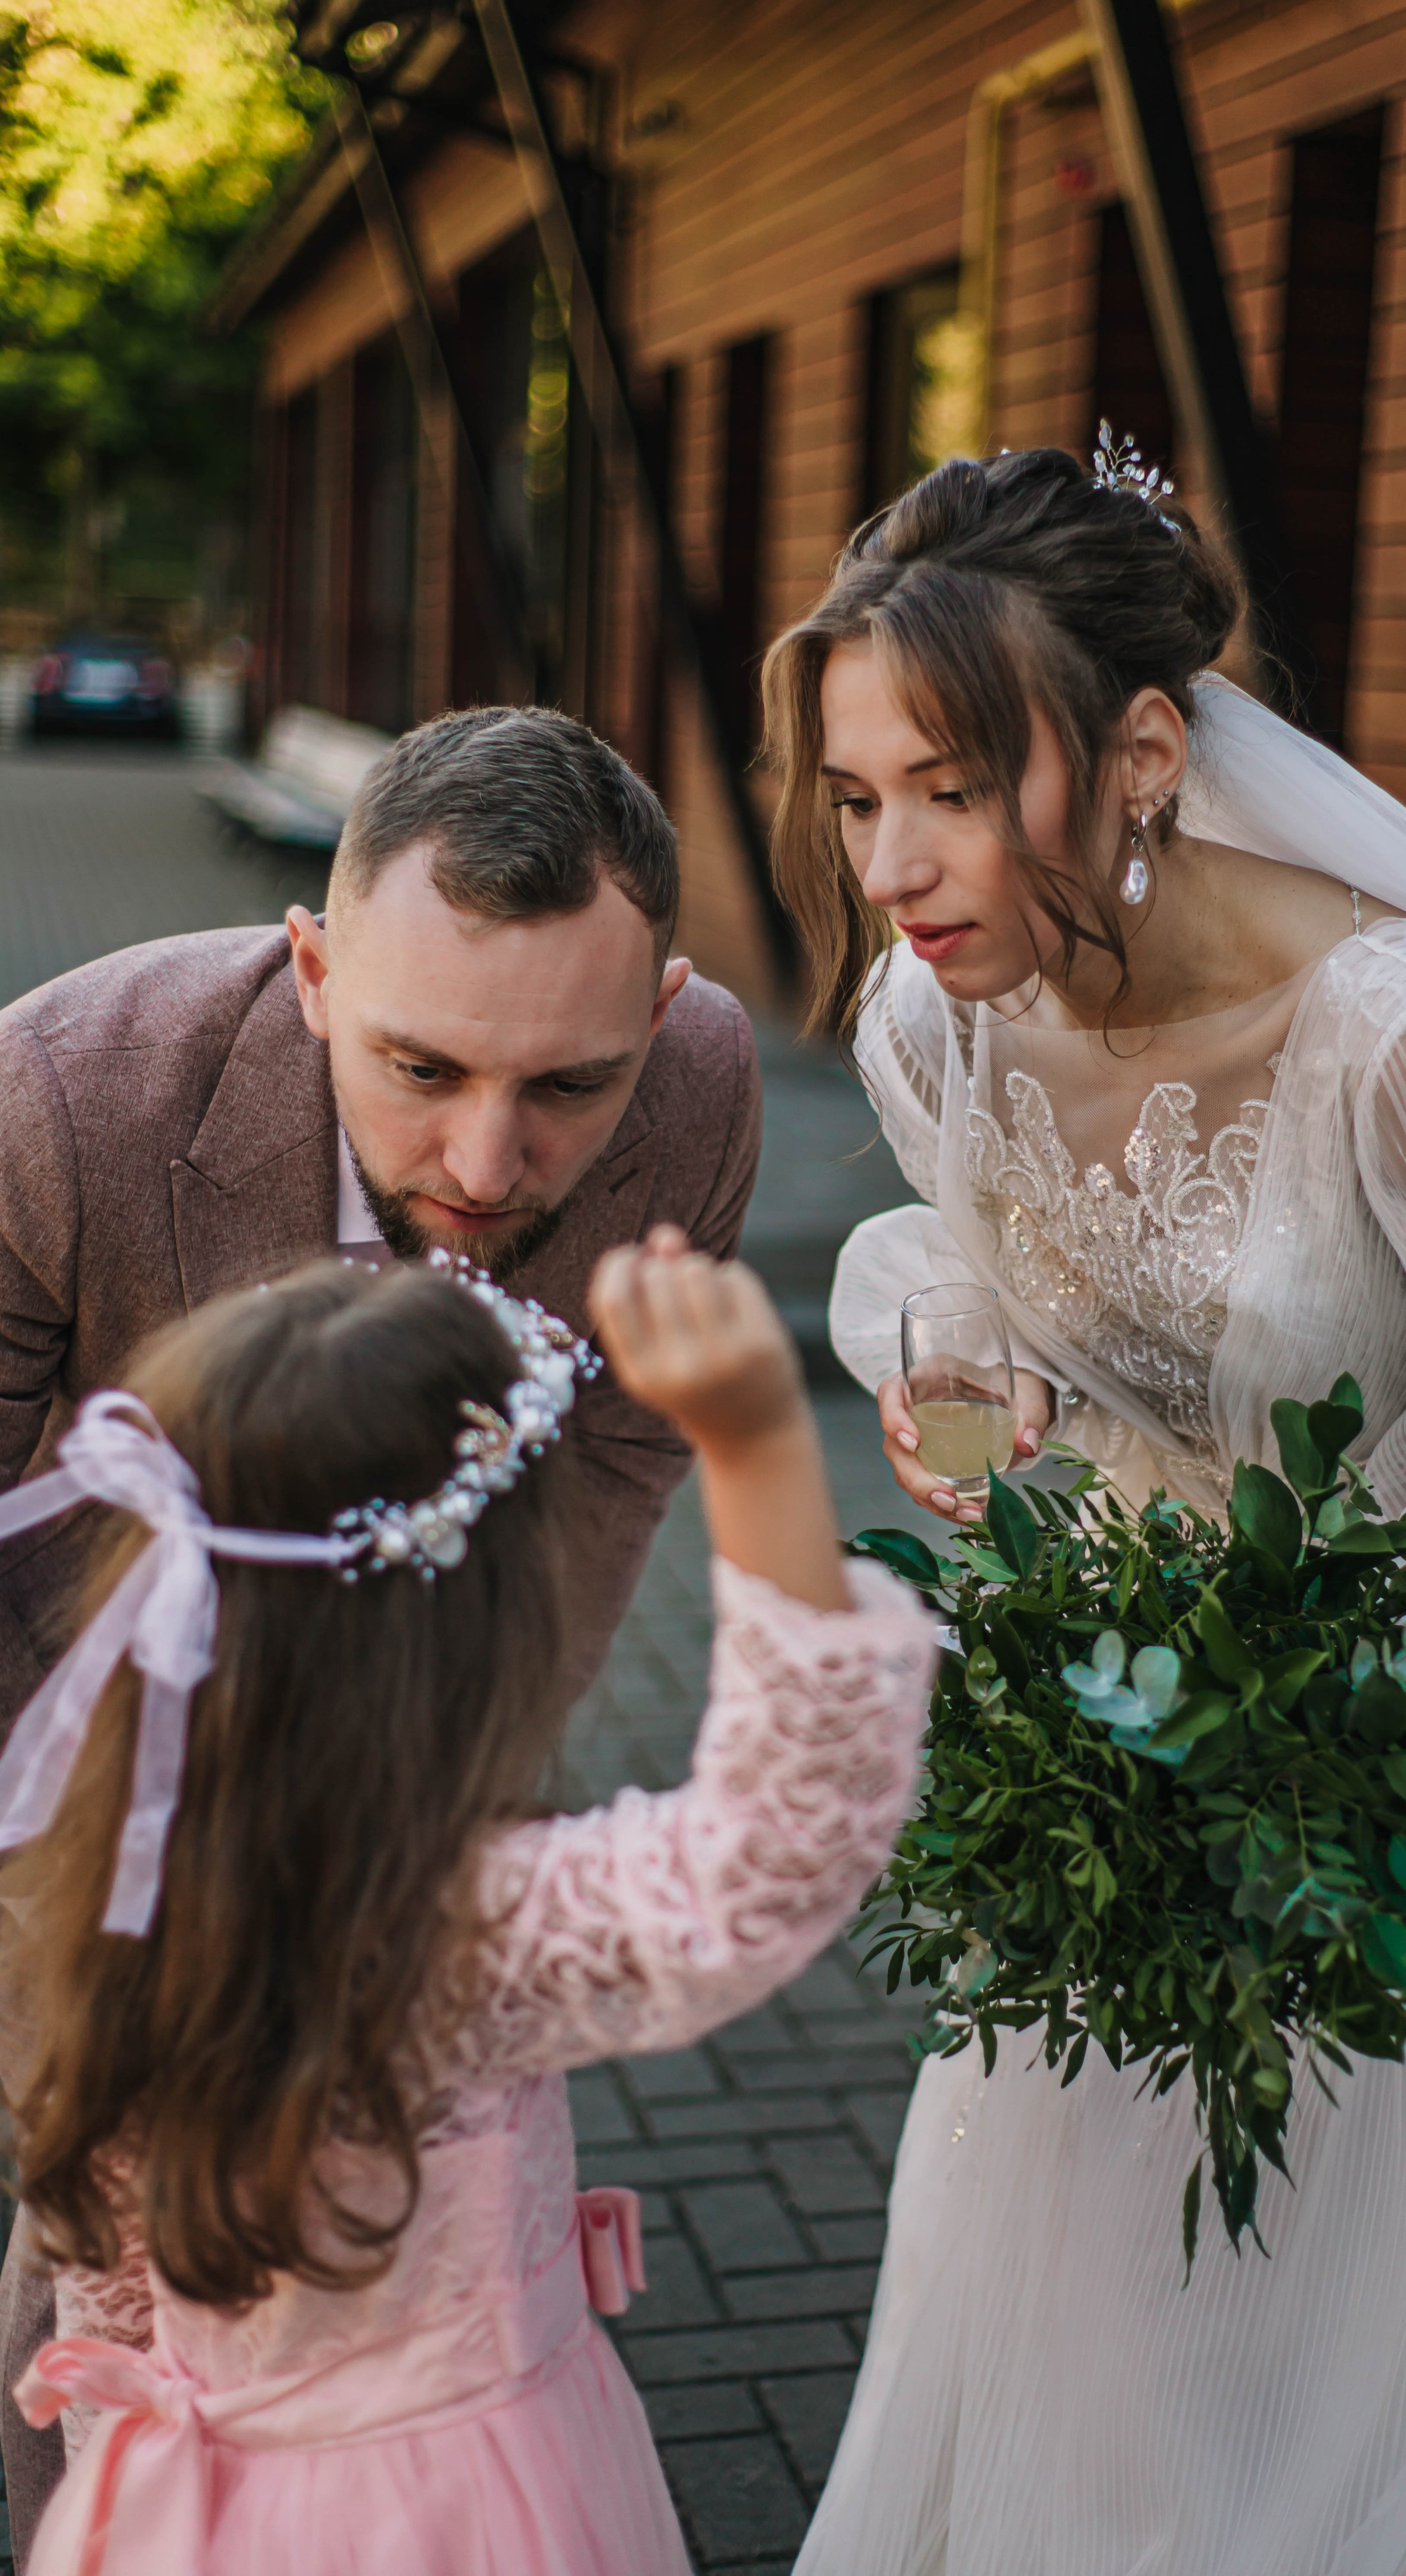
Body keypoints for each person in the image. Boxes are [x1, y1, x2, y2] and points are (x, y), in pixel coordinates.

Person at [764, 444, 1406, 2575]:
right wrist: (970, 1372)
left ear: (1145, 753)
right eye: (857, 799)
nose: (892, 866)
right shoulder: (934, 1024)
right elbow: (974, 1263)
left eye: (952, 786)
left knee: (1347, 2394)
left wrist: (1307, 1714)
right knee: (1087, 2351)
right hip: (1115, 1796)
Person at [0, 702, 761, 2554]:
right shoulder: (58, 1102)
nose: (489, 1163)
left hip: (420, 1756)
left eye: (568, 1087)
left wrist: (443, 1795)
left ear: (658, 1013)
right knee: (83, 2255)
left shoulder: (704, 1084)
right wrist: (76, 1882)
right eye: (422, 1067)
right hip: (74, 1767)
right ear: (315, 968)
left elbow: (611, 1466)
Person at [0, 1235, 933, 2574]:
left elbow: (112, 2295)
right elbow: (764, 1857)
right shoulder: (445, 1932)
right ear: (481, 1634)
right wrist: (759, 1445)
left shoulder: (120, 1894)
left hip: (187, 2515)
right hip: (459, 2514)